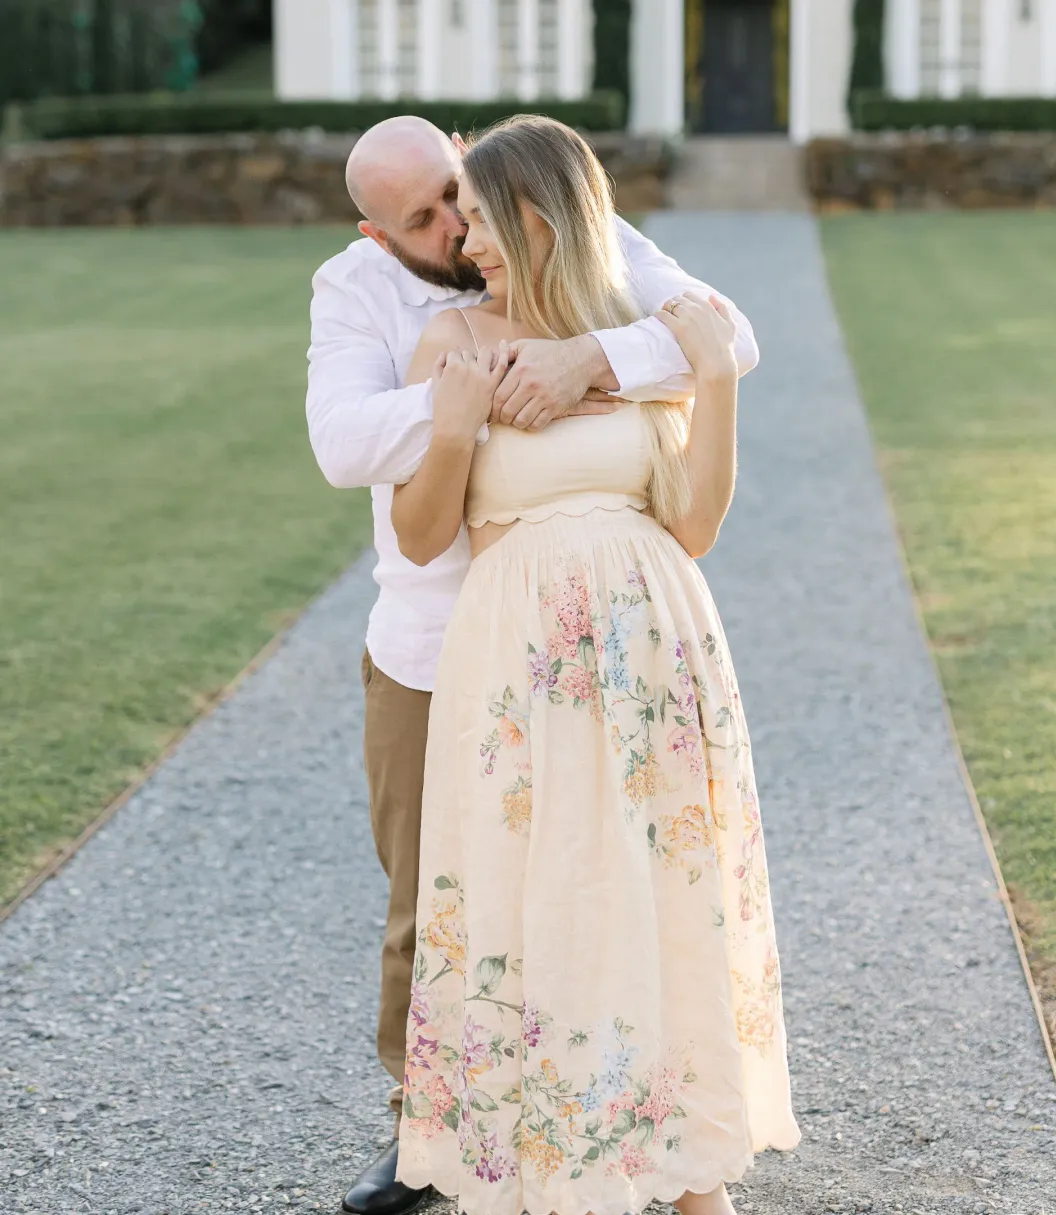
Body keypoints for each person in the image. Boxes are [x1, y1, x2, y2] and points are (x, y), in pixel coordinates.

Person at [305, 115, 762, 1215]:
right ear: (379, 231)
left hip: (648, 649)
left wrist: (599, 363)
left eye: (464, 204)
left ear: (535, 215)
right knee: (492, 900)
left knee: (656, 892)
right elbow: (364, 469)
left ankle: (682, 1153)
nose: (459, 234)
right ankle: (475, 1142)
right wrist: (453, 419)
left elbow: (718, 383)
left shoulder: (623, 304)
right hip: (482, 648)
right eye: (426, 220)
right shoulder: (389, 311)